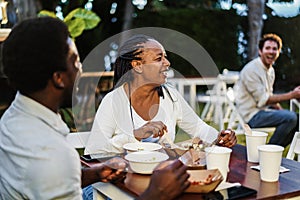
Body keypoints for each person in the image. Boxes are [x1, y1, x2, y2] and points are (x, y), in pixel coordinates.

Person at [0, 17, 190, 200]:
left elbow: (43, 181)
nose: (80, 70)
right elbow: (52, 171)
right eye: (75, 61)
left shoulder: (11, 119)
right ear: (58, 78)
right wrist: (157, 194)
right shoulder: (53, 154)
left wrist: (94, 173)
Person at [84, 34, 237, 157]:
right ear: (137, 66)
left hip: (159, 181)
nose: (168, 63)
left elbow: (199, 129)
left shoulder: (170, 96)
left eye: (165, 57)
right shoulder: (113, 101)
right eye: (159, 58)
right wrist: (135, 135)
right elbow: (95, 150)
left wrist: (220, 138)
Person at [234, 33, 300, 147]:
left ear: (278, 52)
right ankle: (268, 152)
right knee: (291, 118)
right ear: (260, 51)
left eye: (275, 49)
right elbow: (263, 100)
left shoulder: (270, 70)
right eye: (267, 48)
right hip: (250, 116)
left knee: (297, 119)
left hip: (262, 112)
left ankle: (276, 152)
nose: (271, 52)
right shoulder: (252, 70)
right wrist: (292, 95)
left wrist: (280, 110)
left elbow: (269, 96)